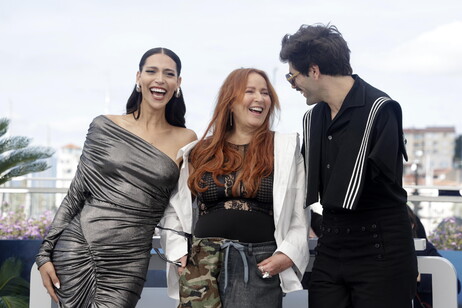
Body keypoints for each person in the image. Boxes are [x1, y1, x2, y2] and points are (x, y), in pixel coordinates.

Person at [35, 47, 197, 307]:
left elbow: (180, 205)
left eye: (169, 74)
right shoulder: (104, 126)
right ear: (138, 77)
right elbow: (76, 194)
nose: (159, 79)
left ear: (178, 83)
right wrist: (44, 254)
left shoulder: (187, 139)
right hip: (79, 246)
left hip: (130, 260)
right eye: (151, 71)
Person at [279, 23, 418, 308]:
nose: (293, 85)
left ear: (314, 70)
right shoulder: (313, 119)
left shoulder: (381, 110)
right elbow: (313, 188)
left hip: (380, 249)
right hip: (332, 248)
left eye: (293, 77)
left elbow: (376, 187)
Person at [158, 68, 310, 308]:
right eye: (250, 91)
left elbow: (299, 212)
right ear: (230, 101)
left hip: (259, 263)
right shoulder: (198, 152)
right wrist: (178, 252)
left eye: (265, 93)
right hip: (201, 265)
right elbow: (174, 209)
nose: (260, 98)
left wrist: (288, 254)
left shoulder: (285, 148)